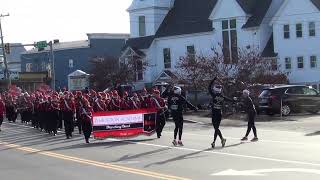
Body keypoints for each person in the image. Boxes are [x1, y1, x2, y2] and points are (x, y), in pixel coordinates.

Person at [208, 77, 234, 148]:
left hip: (215, 114)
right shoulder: (222, 96)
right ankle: (222, 139)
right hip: (219, 114)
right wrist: (235, 100)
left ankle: (214, 142)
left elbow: (209, 87)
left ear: (215, 90)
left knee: (216, 128)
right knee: (216, 128)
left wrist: (213, 80)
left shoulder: (213, 95)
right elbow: (229, 100)